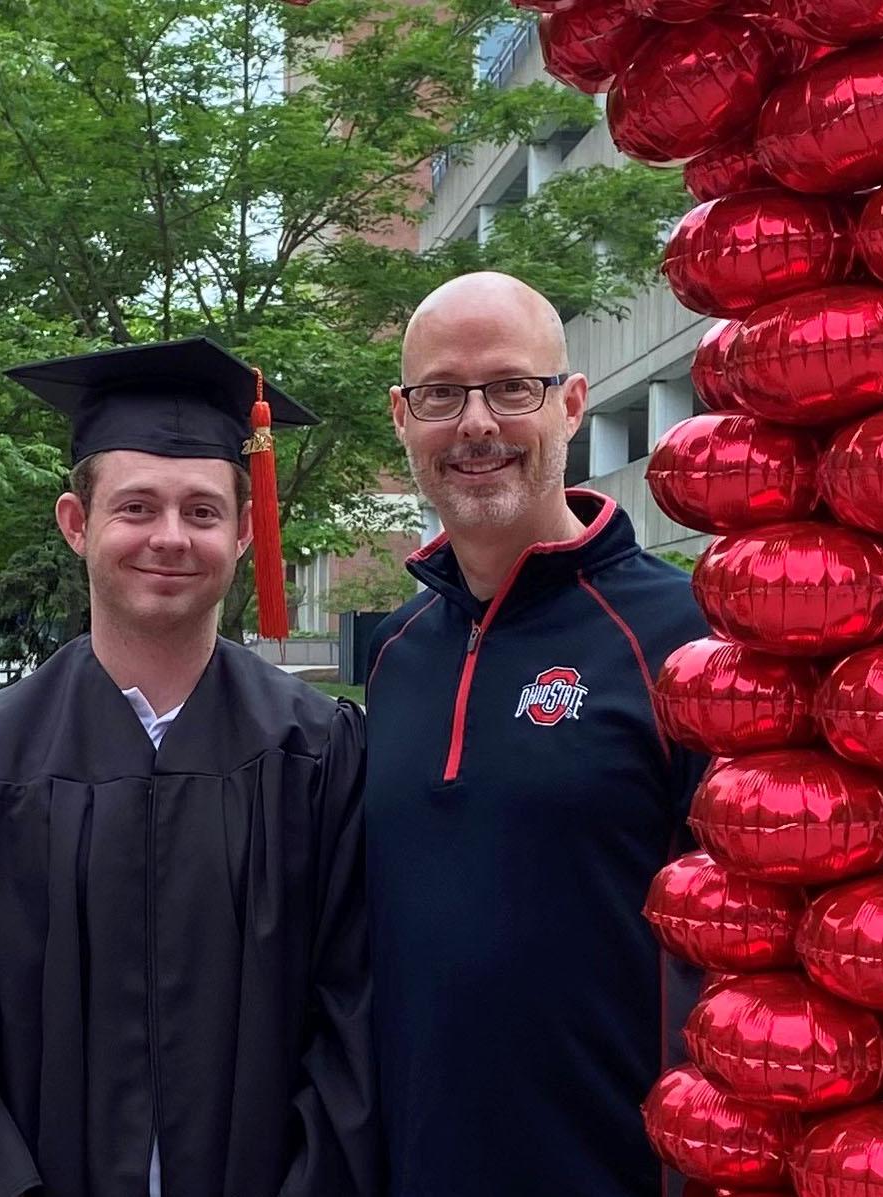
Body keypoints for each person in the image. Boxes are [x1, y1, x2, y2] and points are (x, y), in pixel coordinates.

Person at [0, 337, 378, 1197]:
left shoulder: (320, 758)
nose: (169, 537)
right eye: (136, 506)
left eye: (202, 512)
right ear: (75, 522)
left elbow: (352, 1031)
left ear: (245, 532)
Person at [365, 273, 708, 1196]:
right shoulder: (393, 658)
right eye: (441, 394)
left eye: (510, 388)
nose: (475, 423)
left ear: (570, 403)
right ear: (403, 418)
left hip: (619, 1171)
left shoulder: (686, 643)